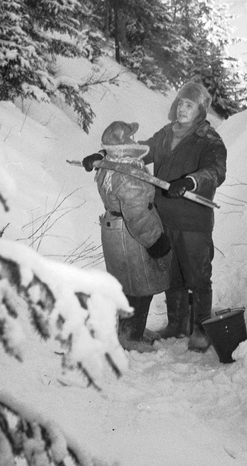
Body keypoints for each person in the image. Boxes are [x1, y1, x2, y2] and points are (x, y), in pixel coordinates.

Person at [83, 82, 226, 353]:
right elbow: (138, 149)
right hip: (162, 218)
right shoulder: (165, 134)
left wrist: (191, 182)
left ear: (200, 110)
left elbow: (216, 171)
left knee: (198, 275)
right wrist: (102, 155)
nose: (183, 109)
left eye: (190, 105)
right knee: (171, 275)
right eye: (181, 103)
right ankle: (177, 324)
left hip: (193, 221)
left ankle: (200, 330)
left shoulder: (209, 139)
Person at [92, 121, 172, 353]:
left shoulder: (110, 165)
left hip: (114, 229)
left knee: (128, 285)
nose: (135, 142)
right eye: (131, 138)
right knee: (140, 286)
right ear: (123, 145)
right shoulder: (128, 175)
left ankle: (130, 329)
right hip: (129, 236)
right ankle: (130, 337)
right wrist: (155, 241)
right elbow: (138, 215)